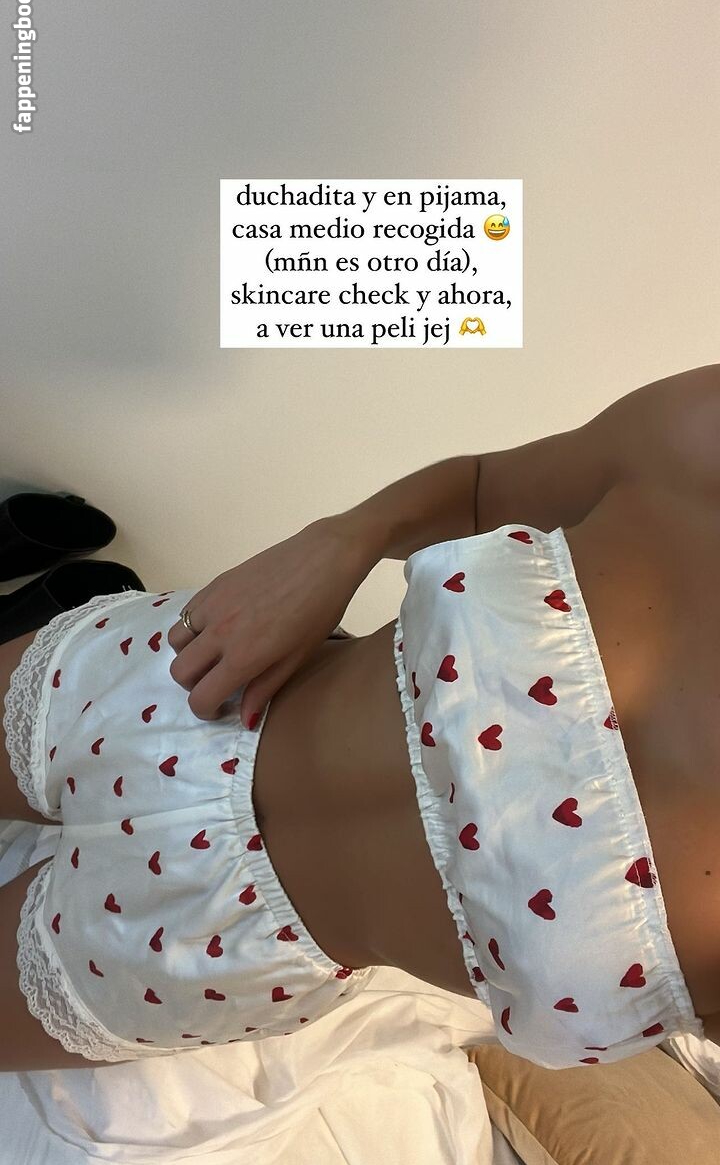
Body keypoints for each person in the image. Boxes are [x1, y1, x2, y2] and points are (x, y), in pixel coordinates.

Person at [1, 362, 719, 1071]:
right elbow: (483, 488)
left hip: (198, 956)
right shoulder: (706, 437)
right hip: (179, 691)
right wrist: (343, 540)